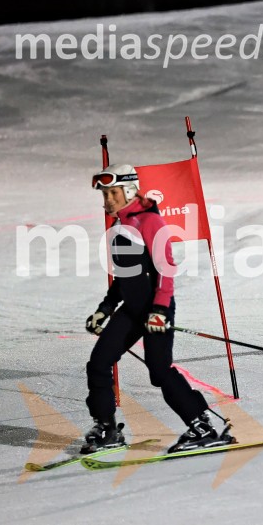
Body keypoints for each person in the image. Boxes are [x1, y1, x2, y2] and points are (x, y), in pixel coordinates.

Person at [82, 163, 232, 454]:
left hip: (155, 310)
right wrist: (105, 308)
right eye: (104, 194)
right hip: (131, 310)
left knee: (159, 370)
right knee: (99, 363)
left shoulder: (150, 222)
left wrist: (160, 309)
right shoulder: (118, 226)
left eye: (113, 193)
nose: (108, 199)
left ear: (129, 191)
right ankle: (107, 428)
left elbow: (166, 268)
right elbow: (124, 277)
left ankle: (202, 427)